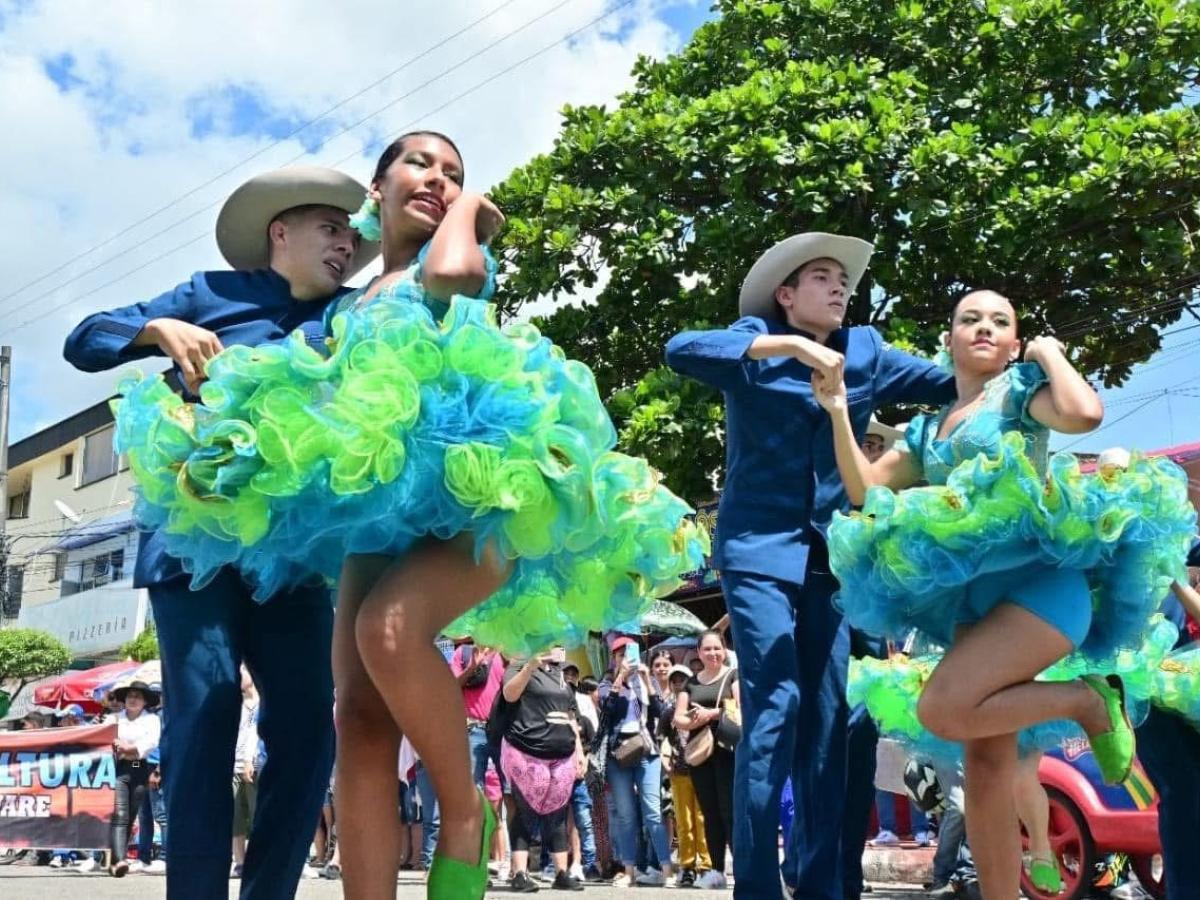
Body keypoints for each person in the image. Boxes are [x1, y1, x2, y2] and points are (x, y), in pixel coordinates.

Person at [109, 131, 707, 900]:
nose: (438, 180)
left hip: (481, 507)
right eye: (420, 166)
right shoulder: (344, 304)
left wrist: (471, 215)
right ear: (377, 187)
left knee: (387, 630)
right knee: (358, 719)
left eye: (454, 172)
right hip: (373, 523)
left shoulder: (452, 261)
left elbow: (455, 271)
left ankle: (465, 815)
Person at [815, 290, 1195, 899]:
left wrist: (1049, 354)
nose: (985, 328)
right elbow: (863, 490)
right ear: (950, 340)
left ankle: (1089, 702)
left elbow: (1083, 416)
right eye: (970, 319)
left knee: (940, 707)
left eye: (1001, 322)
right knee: (987, 769)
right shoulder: (927, 429)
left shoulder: (1019, 393)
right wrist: (837, 410)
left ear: (1015, 341)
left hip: (1042, 590)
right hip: (974, 610)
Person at [63, 165, 375, 900]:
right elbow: (84, 340)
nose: (343, 248)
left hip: (294, 560)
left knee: (307, 733)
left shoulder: (356, 315)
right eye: (331, 230)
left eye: (351, 238)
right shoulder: (211, 291)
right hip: (191, 550)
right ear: (281, 232)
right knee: (204, 720)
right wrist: (155, 329)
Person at [666, 231, 956, 898]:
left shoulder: (868, 351)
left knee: (832, 723)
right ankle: (759, 887)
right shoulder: (751, 343)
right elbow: (679, 349)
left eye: (841, 279)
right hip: (756, 550)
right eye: (821, 276)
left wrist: (1024, 363)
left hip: (832, 563)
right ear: (786, 294)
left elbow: (951, 382)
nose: (838, 286)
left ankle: (824, 884)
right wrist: (787, 346)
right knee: (777, 704)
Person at [501, 648, 586, 893]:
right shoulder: (519, 664)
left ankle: (561, 872)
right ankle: (519, 873)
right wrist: (530, 666)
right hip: (526, 749)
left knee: (557, 814)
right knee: (526, 811)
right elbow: (509, 695)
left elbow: (571, 715)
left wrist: (579, 751)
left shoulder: (560, 674)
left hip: (562, 752)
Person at [602, 636, 676, 888]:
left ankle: (666, 870)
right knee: (625, 815)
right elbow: (607, 711)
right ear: (613, 659)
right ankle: (629, 871)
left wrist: (646, 680)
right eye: (619, 654)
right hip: (618, 753)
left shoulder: (647, 682)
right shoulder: (607, 684)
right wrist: (620, 678)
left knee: (654, 812)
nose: (625, 659)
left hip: (647, 751)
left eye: (629, 653)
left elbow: (662, 713)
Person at [673, 630, 738, 890]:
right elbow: (678, 717)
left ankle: (743, 868)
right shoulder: (691, 684)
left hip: (726, 750)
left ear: (724, 650)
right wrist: (694, 720)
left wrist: (711, 714)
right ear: (698, 652)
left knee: (729, 811)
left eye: (717, 648)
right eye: (707, 649)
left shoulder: (733, 676)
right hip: (700, 753)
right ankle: (716, 870)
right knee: (709, 813)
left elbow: (740, 708)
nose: (712, 653)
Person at [659, 663, 711, 888]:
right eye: (675, 681)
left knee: (703, 819)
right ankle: (687, 866)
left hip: (703, 768)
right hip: (679, 771)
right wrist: (664, 757)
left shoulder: (701, 705)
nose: (679, 684)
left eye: (683, 680)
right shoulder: (669, 711)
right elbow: (660, 736)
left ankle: (706, 865)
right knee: (684, 820)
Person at [106, 681, 162, 878]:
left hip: (139, 766)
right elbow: (104, 740)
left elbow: (151, 743)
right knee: (120, 814)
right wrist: (124, 749)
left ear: (145, 701)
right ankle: (119, 860)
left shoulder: (152, 720)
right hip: (117, 769)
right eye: (130, 695)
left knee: (131, 815)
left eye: (138, 696)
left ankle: (116, 857)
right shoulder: (113, 719)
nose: (133, 699)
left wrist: (129, 749)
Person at [231, 666, 260, 878]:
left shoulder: (263, 704)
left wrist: (250, 760)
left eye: (243, 671)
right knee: (236, 819)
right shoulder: (236, 705)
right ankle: (240, 861)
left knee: (258, 814)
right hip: (234, 766)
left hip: (256, 767)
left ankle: (260, 861)